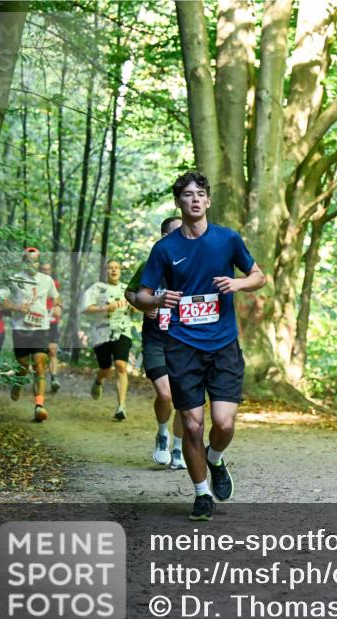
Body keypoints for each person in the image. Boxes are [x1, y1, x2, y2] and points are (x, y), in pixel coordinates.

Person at [134, 171, 266, 521]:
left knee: (223, 423)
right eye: (187, 195)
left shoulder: (227, 239)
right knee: (191, 425)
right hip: (182, 346)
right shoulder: (165, 249)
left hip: (223, 344)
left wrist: (238, 284)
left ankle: (215, 458)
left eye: (199, 194)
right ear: (178, 202)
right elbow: (141, 296)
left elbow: (259, 276)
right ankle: (202, 493)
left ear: (207, 201)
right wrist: (158, 300)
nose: (194, 199)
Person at [125, 216, 186, 469]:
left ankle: (179, 449)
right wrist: (144, 305)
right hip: (156, 339)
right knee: (165, 393)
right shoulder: (150, 265)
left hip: (186, 341)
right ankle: (162, 435)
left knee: (185, 400)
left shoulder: (194, 265)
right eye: (178, 232)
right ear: (164, 237)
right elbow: (130, 292)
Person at [2, 248, 61, 422]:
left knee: (39, 366)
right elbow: (1, 300)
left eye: (35, 261)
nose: (32, 264)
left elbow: (56, 297)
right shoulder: (15, 278)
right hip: (20, 329)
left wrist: (58, 307)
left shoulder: (46, 280)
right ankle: (19, 381)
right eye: (28, 260)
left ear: (39, 262)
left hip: (41, 328)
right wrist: (16, 307)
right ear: (23, 262)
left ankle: (39, 406)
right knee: (23, 367)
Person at [83, 259, 134, 421]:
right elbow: (86, 308)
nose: (113, 270)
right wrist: (105, 307)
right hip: (101, 333)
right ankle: (98, 381)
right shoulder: (97, 288)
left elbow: (137, 307)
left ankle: (121, 406)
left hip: (123, 331)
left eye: (116, 267)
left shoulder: (127, 289)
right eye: (110, 268)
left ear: (120, 271)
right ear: (105, 271)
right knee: (105, 368)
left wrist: (136, 306)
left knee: (120, 365)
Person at [39, 262, 62, 393]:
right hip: (38, 321)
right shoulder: (35, 282)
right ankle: (39, 377)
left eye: (48, 269)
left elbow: (58, 299)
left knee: (53, 350)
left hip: (51, 321)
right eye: (43, 269)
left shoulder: (55, 283)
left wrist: (58, 307)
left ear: (51, 271)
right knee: (40, 353)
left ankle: (54, 378)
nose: (46, 271)